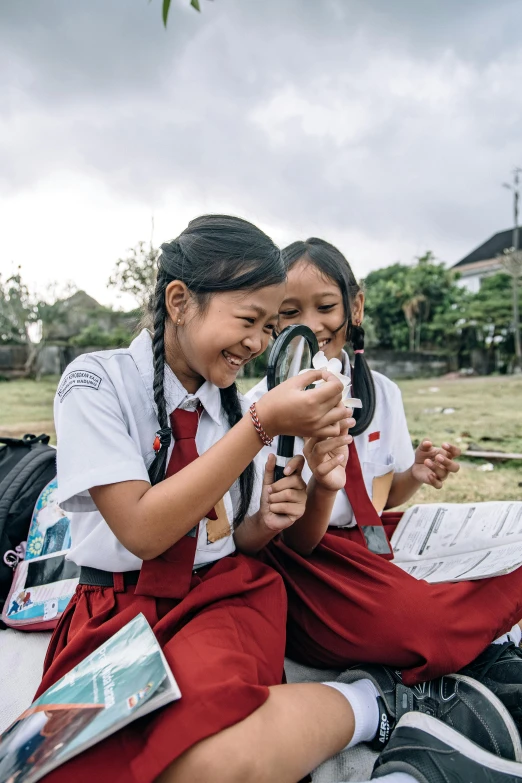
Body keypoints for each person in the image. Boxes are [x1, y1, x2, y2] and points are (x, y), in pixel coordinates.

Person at [31, 217, 522, 783]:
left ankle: (376, 706)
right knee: (78, 767)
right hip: (113, 606)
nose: (262, 343)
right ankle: (379, 702)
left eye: (269, 326)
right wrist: (261, 427)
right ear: (179, 301)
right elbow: (142, 531)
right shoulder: (96, 382)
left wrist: (268, 517)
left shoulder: (244, 409)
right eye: (253, 320)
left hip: (218, 597)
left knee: (208, 759)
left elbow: (233, 541)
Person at [246, 237, 522, 731]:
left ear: (355, 307)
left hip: (372, 538)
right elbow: (294, 538)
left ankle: (472, 629)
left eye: (326, 306)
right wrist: (324, 486)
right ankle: (394, 681)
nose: (312, 324)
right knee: (423, 626)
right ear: (273, 322)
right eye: (291, 313)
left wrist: (414, 474)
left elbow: (376, 501)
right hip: (308, 558)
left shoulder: (381, 392)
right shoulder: (262, 409)